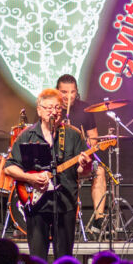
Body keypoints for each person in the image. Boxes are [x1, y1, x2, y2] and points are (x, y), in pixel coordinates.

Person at [5, 88, 92, 261]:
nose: (54, 112)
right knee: (37, 258)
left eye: (58, 107)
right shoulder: (27, 135)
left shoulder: (73, 135)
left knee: (64, 258)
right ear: (39, 110)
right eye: (49, 108)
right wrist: (31, 178)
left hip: (65, 204)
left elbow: (83, 172)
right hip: (36, 205)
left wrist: (86, 165)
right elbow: (9, 167)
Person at [55, 74, 109, 234]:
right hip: (56, 164)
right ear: (57, 91)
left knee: (99, 171)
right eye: (64, 92)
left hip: (79, 163)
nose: (69, 96)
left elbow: (93, 138)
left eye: (72, 92)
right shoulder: (51, 109)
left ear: (77, 91)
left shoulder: (85, 109)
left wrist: (85, 145)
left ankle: (99, 221)